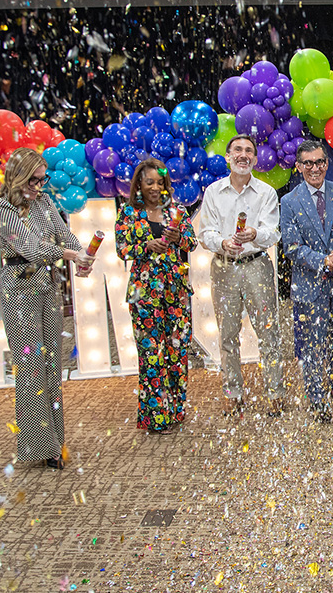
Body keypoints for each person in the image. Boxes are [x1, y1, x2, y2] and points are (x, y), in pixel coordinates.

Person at [0, 147, 94, 469]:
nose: (39, 185)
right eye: (33, 180)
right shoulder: (0, 207)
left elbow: (66, 237)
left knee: (52, 364)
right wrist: (71, 255)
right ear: (17, 176)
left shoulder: (45, 202)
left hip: (48, 287)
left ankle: (55, 442)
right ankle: (39, 445)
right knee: (30, 367)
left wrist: (84, 256)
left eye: (42, 178)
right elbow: (31, 247)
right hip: (18, 289)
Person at [199, 134, 284, 416]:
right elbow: (205, 233)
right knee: (227, 335)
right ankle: (233, 393)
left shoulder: (266, 193)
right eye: (238, 150)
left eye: (249, 150)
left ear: (256, 159)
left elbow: (273, 232)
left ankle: (275, 392)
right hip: (223, 268)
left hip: (257, 265)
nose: (243, 155)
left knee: (269, 332)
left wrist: (255, 234)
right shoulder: (213, 192)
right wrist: (222, 242)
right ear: (228, 156)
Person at [280, 140, 333, 423]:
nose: (315, 168)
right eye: (308, 163)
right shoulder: (289, 201)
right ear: (299, 167)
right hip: (309, 284)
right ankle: (316, 398)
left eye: (319, 162)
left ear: (327, 164)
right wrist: (322, 261)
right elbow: (290, 246)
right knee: (313, 346)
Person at [115, 158, 196, 433]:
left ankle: (175, 411)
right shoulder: (128, 214)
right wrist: (145, 246)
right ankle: (156, 417)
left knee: (176, 352)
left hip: (176, 291)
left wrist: (177, 239)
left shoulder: (177, 212)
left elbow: (192, 243)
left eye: (160, 182)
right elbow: (122, 250)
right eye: (149, 181)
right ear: (139, 184)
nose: (155, 187)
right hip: (144, 294)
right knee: (151, 354)